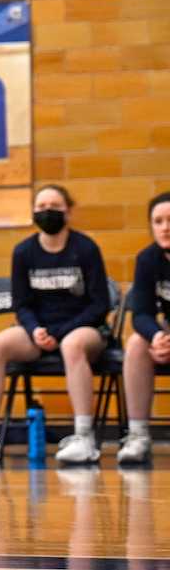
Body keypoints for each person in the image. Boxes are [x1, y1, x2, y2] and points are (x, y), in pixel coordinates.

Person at [0, 185, 111, 465]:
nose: (47, 212)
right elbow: (22, 304)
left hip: (83, 328)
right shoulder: (24, 252)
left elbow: (99, 305)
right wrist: (34, 330)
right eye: (41, 207)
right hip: (40, 331)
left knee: (72, 345)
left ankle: (83, 436)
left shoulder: (86, 249)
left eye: (54, 206)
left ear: (68, 210)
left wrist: (59, 331)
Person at [118, 191, 170, 464]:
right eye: (158, 221)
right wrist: (158, 336)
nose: (165, 227)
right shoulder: (148, 259)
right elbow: (141, 314)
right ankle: (138, 435)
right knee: (137, 343)